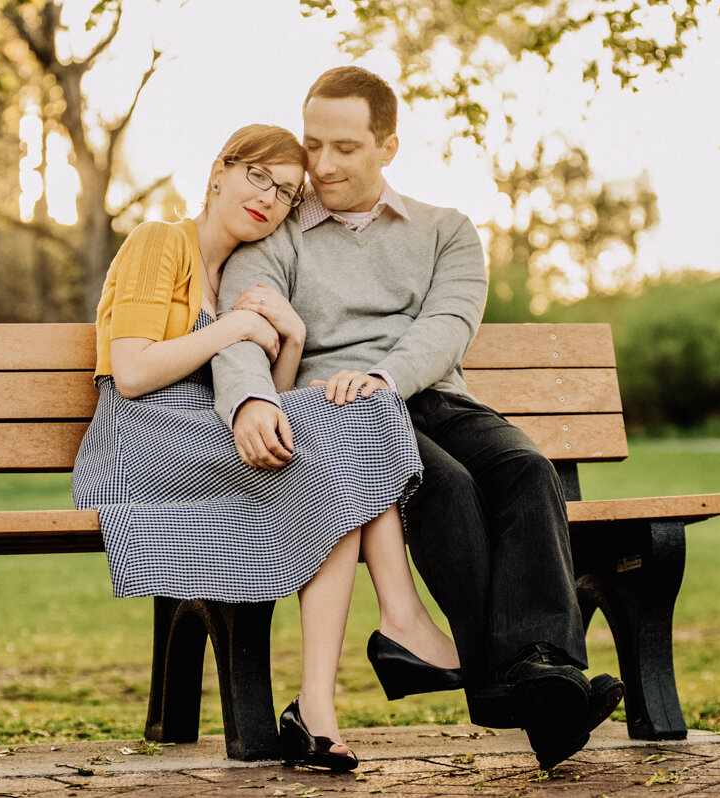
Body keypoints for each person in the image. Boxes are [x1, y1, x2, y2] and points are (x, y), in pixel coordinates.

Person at [211, 68, 626, 771]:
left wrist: (385, 377)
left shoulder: (447, 231)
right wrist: (251, 400)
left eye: (346, 147)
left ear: (388, 147)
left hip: (430, 394)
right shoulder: (278, 234)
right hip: (337, 415)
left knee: (527, 468)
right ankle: (516, 689)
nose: (324, 164)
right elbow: (242, 333)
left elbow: (448, 326)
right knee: (447, 484)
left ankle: (541, 667)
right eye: (314, 145)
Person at [72, 124, 463, 772]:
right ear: (219, 171)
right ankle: (401, 619)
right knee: (356, 426)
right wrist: (238, 325)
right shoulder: (160, 242)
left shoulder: (239, 279)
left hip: (206, 441)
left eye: (286, 192)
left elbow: (265, 409)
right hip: (140, 444)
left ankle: (317, 710)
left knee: (344, 463)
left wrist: (293, 339)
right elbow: (134, 371)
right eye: (259, 176)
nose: (270, 198)